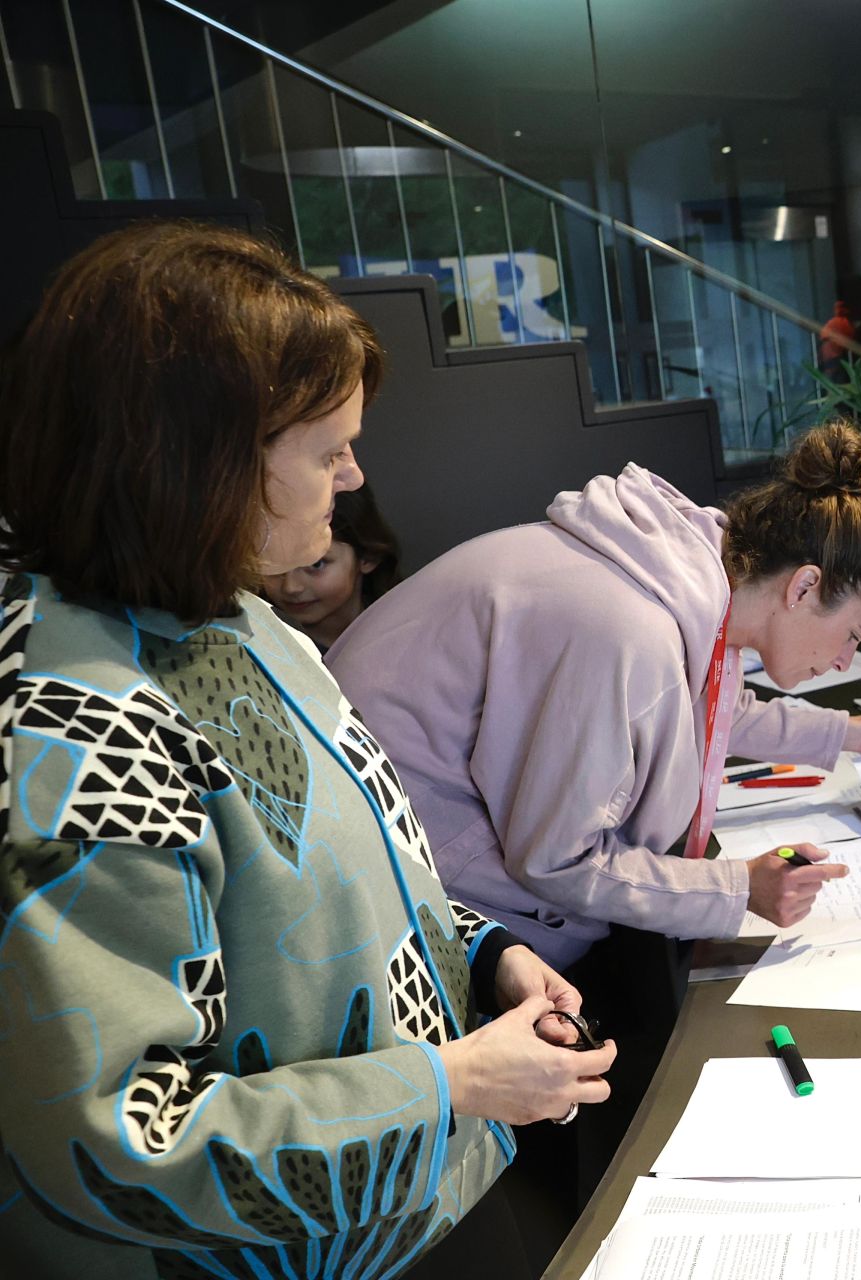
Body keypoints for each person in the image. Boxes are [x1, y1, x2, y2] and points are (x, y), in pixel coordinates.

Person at [0, 224, 612, 1280]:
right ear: (195, 459)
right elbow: (115, 1143)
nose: (354, 471)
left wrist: (484, 953)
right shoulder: (68, 722)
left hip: (430, 1190)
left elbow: (350, 881)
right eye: (328, 448)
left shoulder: (242, 614)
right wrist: (448, 1084)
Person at [325, 420, 861, 1235]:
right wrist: (737, 888)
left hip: (425, 869)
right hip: (414, 928)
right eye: (853, 634)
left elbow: (714, 706)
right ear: (803, 585)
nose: (845, 662)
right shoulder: (629, 628)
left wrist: (846, 734)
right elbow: (559, 858)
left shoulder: (683, 576)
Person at [260, 483, 401, 651]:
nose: (291, 587)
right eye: (274, 564)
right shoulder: (261, 646)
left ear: (367, 558)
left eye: (316, 564)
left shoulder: (405, 631)